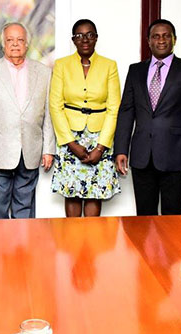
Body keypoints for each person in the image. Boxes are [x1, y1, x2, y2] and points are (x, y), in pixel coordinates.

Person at [115, 19, 181, 215]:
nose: (161, 40)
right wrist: (121, 150)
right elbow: (126, 112)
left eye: (166, 36)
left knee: (172, 219)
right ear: (148, 41)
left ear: (174, 39)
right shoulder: (135, 71)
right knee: (144, 218)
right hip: (142, 156)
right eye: (156, 36)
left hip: (175, 156)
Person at [0, 22, 55, 219]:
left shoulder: (44, 72)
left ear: (27, 44)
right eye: (10, 40)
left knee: (25, 209)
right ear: (3, 44)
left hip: (31, 151)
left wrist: (48, 149)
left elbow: (48, 114)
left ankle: (23, 249)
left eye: (20, 40)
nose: (15, 44)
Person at [49, 19, 121, 217]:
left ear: (96, 38)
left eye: (90, 35)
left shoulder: (109, 66)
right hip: (69, 136)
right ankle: (73, 243)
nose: (85, 40)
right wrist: (71, 144)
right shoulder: (61, 65)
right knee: (71, 192)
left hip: (100, 137)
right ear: (73, 40)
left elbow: (114, 108)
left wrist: (101, 147)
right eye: (79, 36)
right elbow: (55, 105)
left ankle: (92, 243)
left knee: (94, 192)